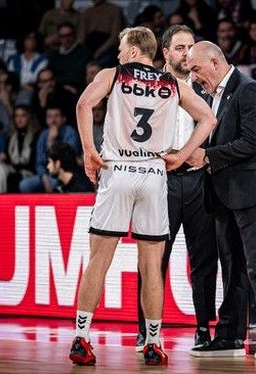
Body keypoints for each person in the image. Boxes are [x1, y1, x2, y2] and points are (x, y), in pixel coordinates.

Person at [69, 26, 216, 366]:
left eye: (121, 48)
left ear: (134, 51)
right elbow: (208, 118)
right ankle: (152, 342)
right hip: (153, 174)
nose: (119, 54)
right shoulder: (173, 84)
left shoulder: (113, 75)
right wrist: (181, 156)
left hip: (117, 169)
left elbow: (83, 104)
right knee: (152, 266)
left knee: (98, 261)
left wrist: (90, 151)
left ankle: (81, 337)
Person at [185, 40, 256, 360]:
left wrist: (207, 156)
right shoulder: (207, 95)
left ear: (215, 62)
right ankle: (228, 334)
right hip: (223, 193)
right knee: (231, 267)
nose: (195, 77)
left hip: (254, 193)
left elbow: (253, 142)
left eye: (196, 69)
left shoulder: (250, 90)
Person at [134, 24, 218, 352]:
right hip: (160, 180)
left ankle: (202, 329)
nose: (188, 53)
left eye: (191, 47)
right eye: (181, 48)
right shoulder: (146, 87)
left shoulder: (206, 88)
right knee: (155, 258)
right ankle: (146, 329)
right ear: (165, 53)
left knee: (204, 258)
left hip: (198, 179)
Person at [19, 103, 80, 193]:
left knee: (53, 182)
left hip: (63, 173)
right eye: (50, 117)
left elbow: (67, 160)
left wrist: (51, 141)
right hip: (46, 174)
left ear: (63, 119)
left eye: (56, 116)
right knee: (24, 185)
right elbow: (39, 163)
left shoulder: (70, 132)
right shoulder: (43, 134)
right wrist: (44, 177)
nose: (53, 120)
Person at [0, 104, 40, 193]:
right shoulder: (11, 137)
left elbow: (34, 161)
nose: (19, 119)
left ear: (29, 118)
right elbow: (7, 157)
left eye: (23, 116)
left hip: (29, 172)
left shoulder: (36, 136)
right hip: (13, 169)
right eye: (17, 116)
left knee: (13, 178)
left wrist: (15, 168)